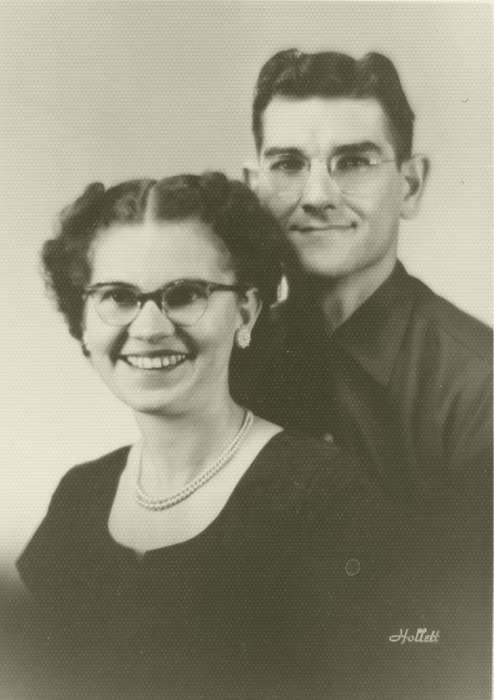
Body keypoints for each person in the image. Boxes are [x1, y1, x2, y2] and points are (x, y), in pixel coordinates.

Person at [16, 173, 420, 699]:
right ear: (84, 322)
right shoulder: (79, 498)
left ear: (246, 312)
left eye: (185, 295)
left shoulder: (326, 499)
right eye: (117, 296)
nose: (149, 327)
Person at [237, 49, 492, 695]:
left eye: (354, 162)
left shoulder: (479, 388)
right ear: (254, 187)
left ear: (410, 185)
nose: (318, 196)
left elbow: (459, 644)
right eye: (289, 164)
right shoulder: (228, 358)